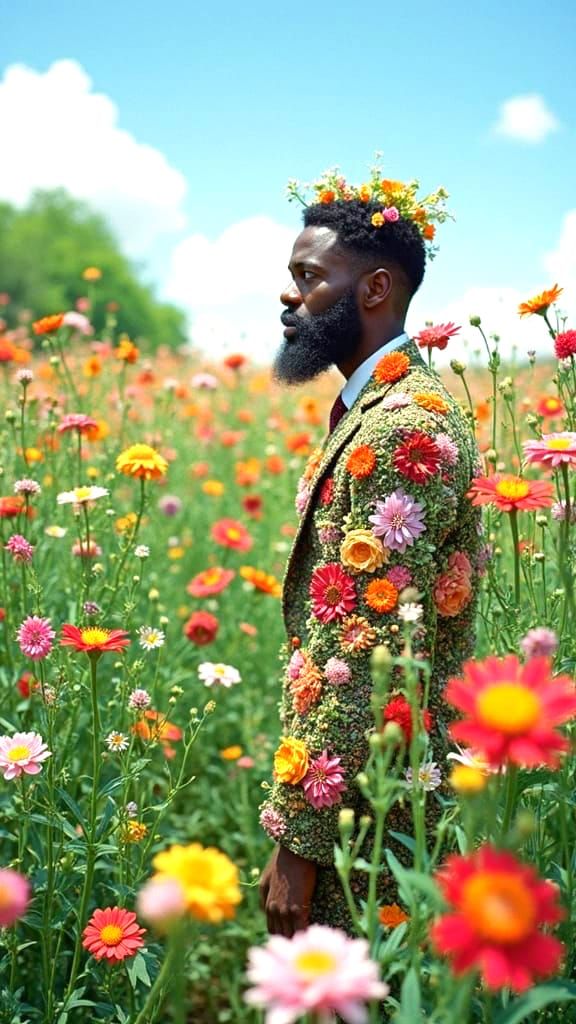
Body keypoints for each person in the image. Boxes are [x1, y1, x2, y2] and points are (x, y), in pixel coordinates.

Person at [258, 172, 482, 938]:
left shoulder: (400, 431)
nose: (290, 298)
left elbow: (368, 650)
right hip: (368, 784)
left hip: (373, 808)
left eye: (309, 278)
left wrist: (298, 843)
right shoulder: (379, 405)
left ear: (376, 288)